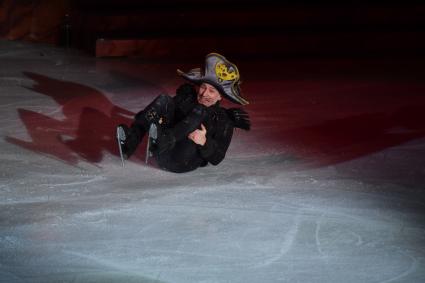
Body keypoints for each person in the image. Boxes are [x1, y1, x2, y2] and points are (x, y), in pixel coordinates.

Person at [116, 53, 250, 173]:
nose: (204, 93)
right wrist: (147, 118)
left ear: (220, 96)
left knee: (200, 111)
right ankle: (131, 141)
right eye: (203, 87)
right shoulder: (187, 98)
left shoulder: (223, 120)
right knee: (164, 99)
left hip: (182, 161)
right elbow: (162, 109)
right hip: (162, 153)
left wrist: (204, 142)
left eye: (211, 91)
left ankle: (163, 141)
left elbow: (217, 158)